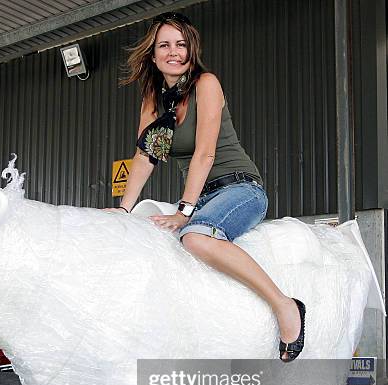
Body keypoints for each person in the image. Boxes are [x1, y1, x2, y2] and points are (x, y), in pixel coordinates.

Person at [106, 12, 305, 362]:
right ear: (153, 55)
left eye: (180, 44)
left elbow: (205, 153)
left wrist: (184, 212)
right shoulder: (154, 100)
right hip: (205, 197)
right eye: (164, 45)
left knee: (195, 236)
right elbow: (145, 158)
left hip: (241, 188)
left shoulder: (206, 84)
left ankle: (285, 306)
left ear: (191, 51)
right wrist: (123, 210)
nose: (173, 52)